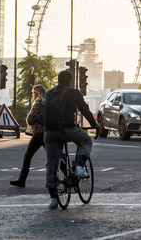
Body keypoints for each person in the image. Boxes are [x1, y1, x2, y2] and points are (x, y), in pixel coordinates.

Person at [43, 70, 100, 209]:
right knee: (86, 141)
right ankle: (79, 167)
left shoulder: (49, 93)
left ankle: (53, 198)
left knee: (51, 163)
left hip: (50, 131)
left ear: (58, 80)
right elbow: (84, 110)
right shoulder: (74, 92)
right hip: (69, 129)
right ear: (70, 81)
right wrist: (94, 125)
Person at [10, 85, 47, 187]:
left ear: (38, 93)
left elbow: (30, 119)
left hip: (39, 133)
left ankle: (22, 180)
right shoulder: (47, 102)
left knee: (27, 156)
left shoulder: (38, 103)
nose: (32, 95)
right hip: (47, 133)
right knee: (52, 156)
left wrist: (30, 119)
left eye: (33, 93)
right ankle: (67, 174)